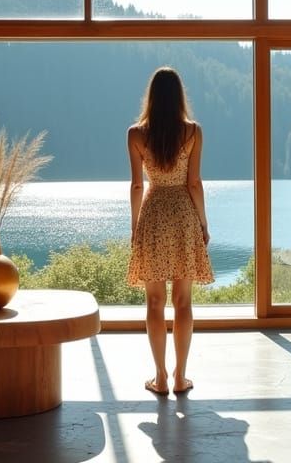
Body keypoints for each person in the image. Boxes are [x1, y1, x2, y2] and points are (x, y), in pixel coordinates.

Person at [126, 66, 214, 396]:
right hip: (183, 215)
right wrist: (203, 223)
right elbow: (194, 182)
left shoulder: (136, 134)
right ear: (179, 97)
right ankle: (181, 377)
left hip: (152, 214)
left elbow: (137, 185)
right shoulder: (192, 131)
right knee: (183, 301)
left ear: (151, 96)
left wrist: (135, 226)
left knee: (153, 301)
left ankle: (160, 377)